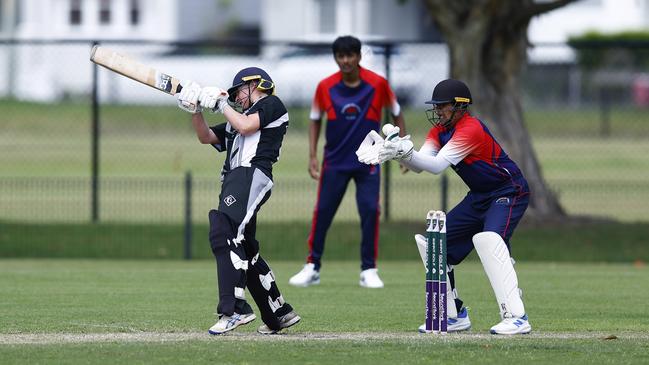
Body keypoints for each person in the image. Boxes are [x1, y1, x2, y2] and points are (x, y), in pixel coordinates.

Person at [357, 79, 532, 335]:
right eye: (436, 106)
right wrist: (398, 152)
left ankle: (517, 317)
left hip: (509, 190)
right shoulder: (439, 131)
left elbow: (437, 166)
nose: (438, 111)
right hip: (480, 195)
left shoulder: (470, 129)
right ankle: (453, 316)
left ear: (461, 106)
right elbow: (421, 164)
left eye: (443, 106)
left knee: (490, 241)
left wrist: (406, 153)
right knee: (434, 246)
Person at [176, 67, 300, 335]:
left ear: (256, 83)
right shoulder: (238, 116)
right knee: (245, 246)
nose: (236, 98)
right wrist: (195, 109)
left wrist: (221, 103)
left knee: (223, 231)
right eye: (231, 96)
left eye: (239, 92)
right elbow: (206, 137)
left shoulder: (271, 104)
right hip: (236, 177)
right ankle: (278, 313)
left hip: (251, 173)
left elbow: (247, 127)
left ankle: (233, 310)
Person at [288, 35, 407, 289]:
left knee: (370, 210)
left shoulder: (378, 84)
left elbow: (397, 114)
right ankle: (312, 267)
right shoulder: (325, 87)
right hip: (335, 162)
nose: (345, 60)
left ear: (359, 56)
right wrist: (312, 156)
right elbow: (314, 120)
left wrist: (402, 153)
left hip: (369, 162)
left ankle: (369, 270)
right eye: (340, 56)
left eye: (350, 55)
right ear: (335, 58)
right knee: (322, 213)